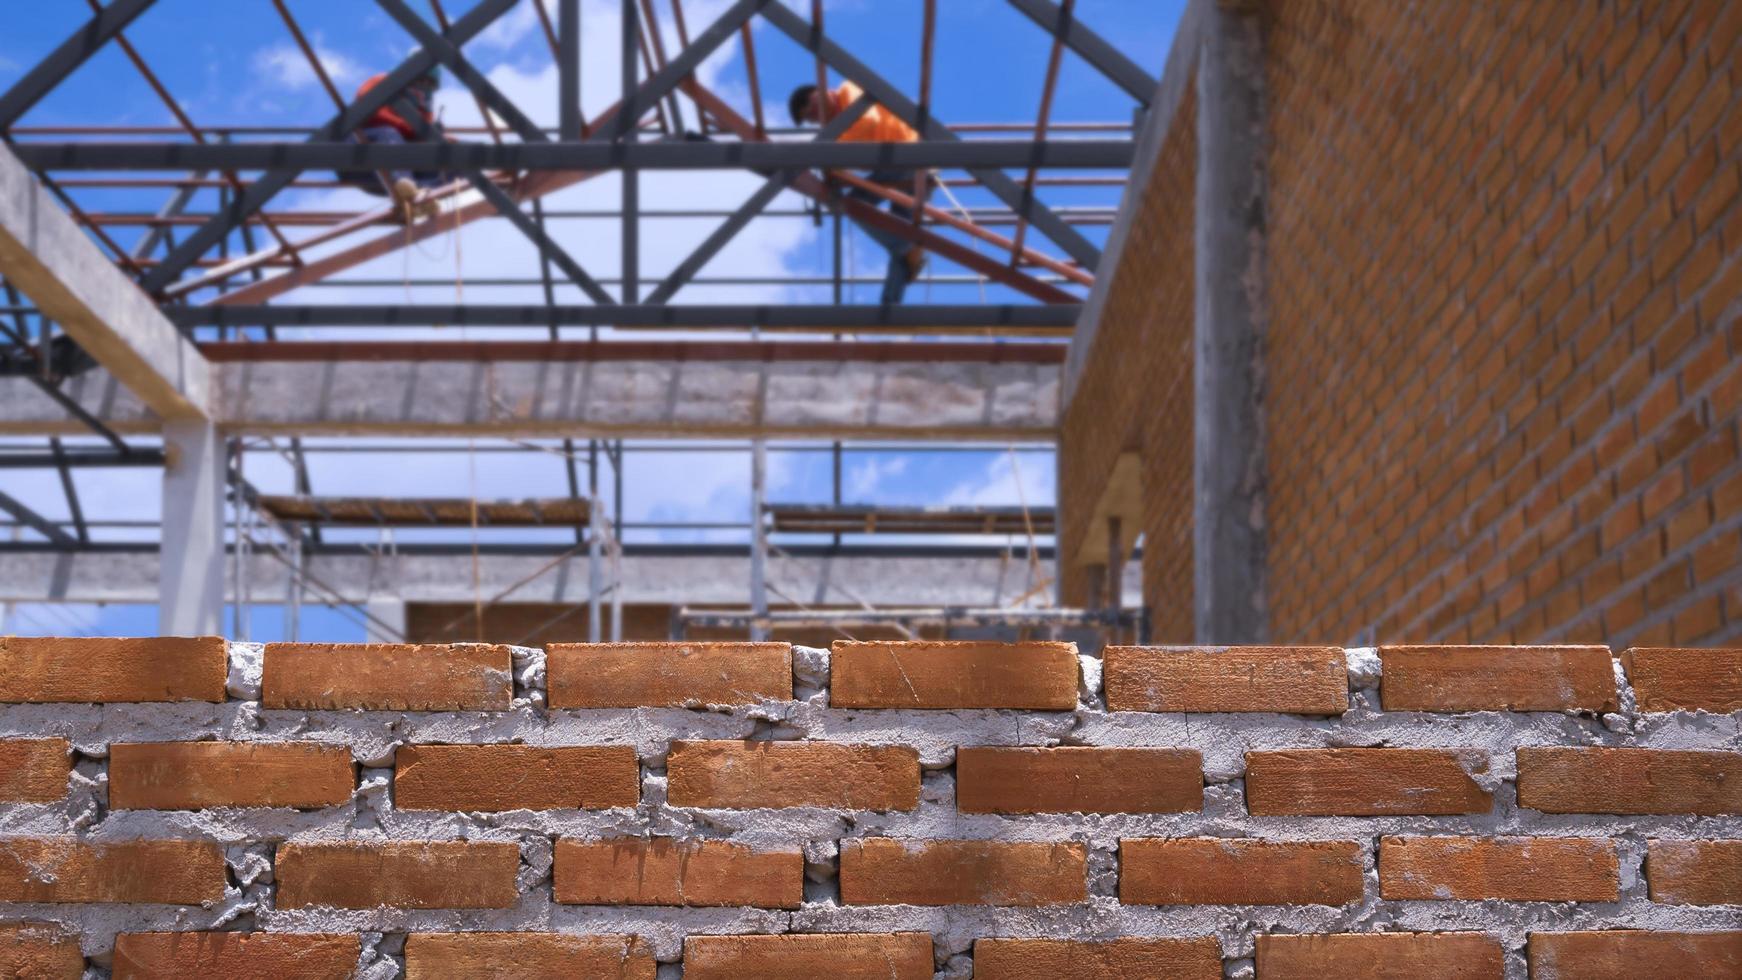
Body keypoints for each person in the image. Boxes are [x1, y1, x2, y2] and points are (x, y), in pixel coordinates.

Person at [789, 80, 928, 304]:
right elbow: (841, 160)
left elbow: (868, 121)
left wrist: (829, 151)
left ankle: (908, 248)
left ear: (821, 92)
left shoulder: (848, 91)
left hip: (906, 153)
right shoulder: (837, 132)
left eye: (811, 108)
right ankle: (889, 309)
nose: (815, 117)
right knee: (900, 246)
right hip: (898, 165)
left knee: (854, 205)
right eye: (810, 118)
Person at [338, 68, 450, 221]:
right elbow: (369, 105)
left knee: (444, 162)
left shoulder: (424, 111)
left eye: (429, 83)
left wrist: (434, 138)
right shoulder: (383, 82)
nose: (424, 86)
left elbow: (418, 145)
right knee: (389, 133)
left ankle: (421, 197)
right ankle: (404, 184)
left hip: (382, 174)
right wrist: (412, 129)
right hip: (357, 149)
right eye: (421, 79)